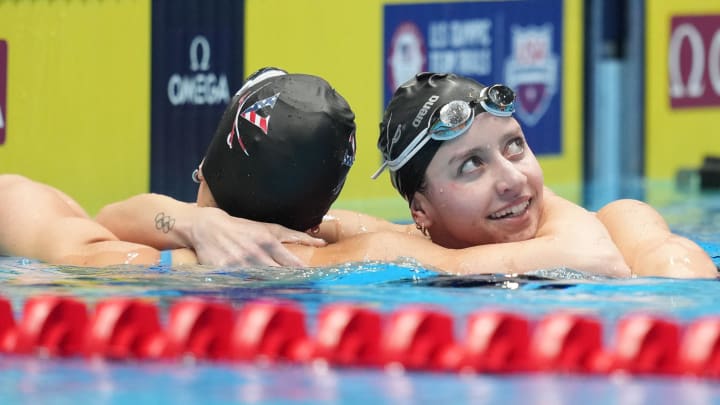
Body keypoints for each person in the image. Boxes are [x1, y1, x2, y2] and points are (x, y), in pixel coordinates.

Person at [286, 72, 716, 278]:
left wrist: (446, 265)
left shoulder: (625, 225)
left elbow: (599, 260)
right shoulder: (400, 243)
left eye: (515, 146)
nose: (512, 178)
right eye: (471, 164)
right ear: (422, 210)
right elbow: (287, 245)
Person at [0, 67, 357, 268]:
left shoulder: (138, 265)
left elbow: (11, 196)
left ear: (205, 167)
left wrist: (194, 223)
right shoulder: (345, 254)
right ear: (313, 221)